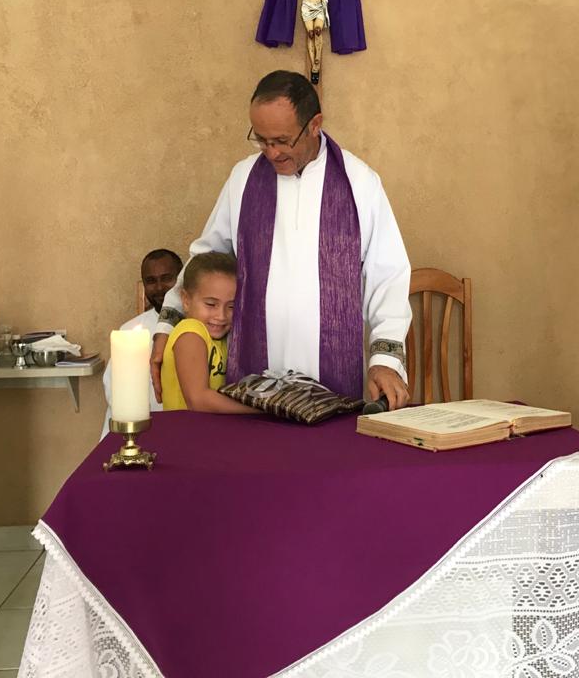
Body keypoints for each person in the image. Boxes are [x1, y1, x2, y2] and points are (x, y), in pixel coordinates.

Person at [151, 70, 412, 409]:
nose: (271, 153)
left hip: (333, 373)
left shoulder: (359, 183)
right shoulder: (244, 178)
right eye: (262, 140)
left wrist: (385, 361)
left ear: (314, 124)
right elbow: (207, 257)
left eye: (282, 141)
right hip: (254, 373)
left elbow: (387, 275)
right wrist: (168, 324)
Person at [101, 248, 183, 438]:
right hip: (140, 431)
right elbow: (114, 391)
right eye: (151, 281)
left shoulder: (202, 325)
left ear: (181, 278)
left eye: (167, 278)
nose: (160, 287)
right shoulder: (128, 332)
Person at [160, 252, 254, 413]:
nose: (221, 316)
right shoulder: (190, 332)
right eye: (211, 304)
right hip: (184, 428)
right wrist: (260, 409)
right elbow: (198, 400)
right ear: (186, 300)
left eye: (231, 306)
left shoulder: (221, 339)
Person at [263, 0, 362, 83]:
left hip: (319, 6)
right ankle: (313, 64)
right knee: (310, 34)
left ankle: (317, 61)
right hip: (307, 7)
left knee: (318, 31)